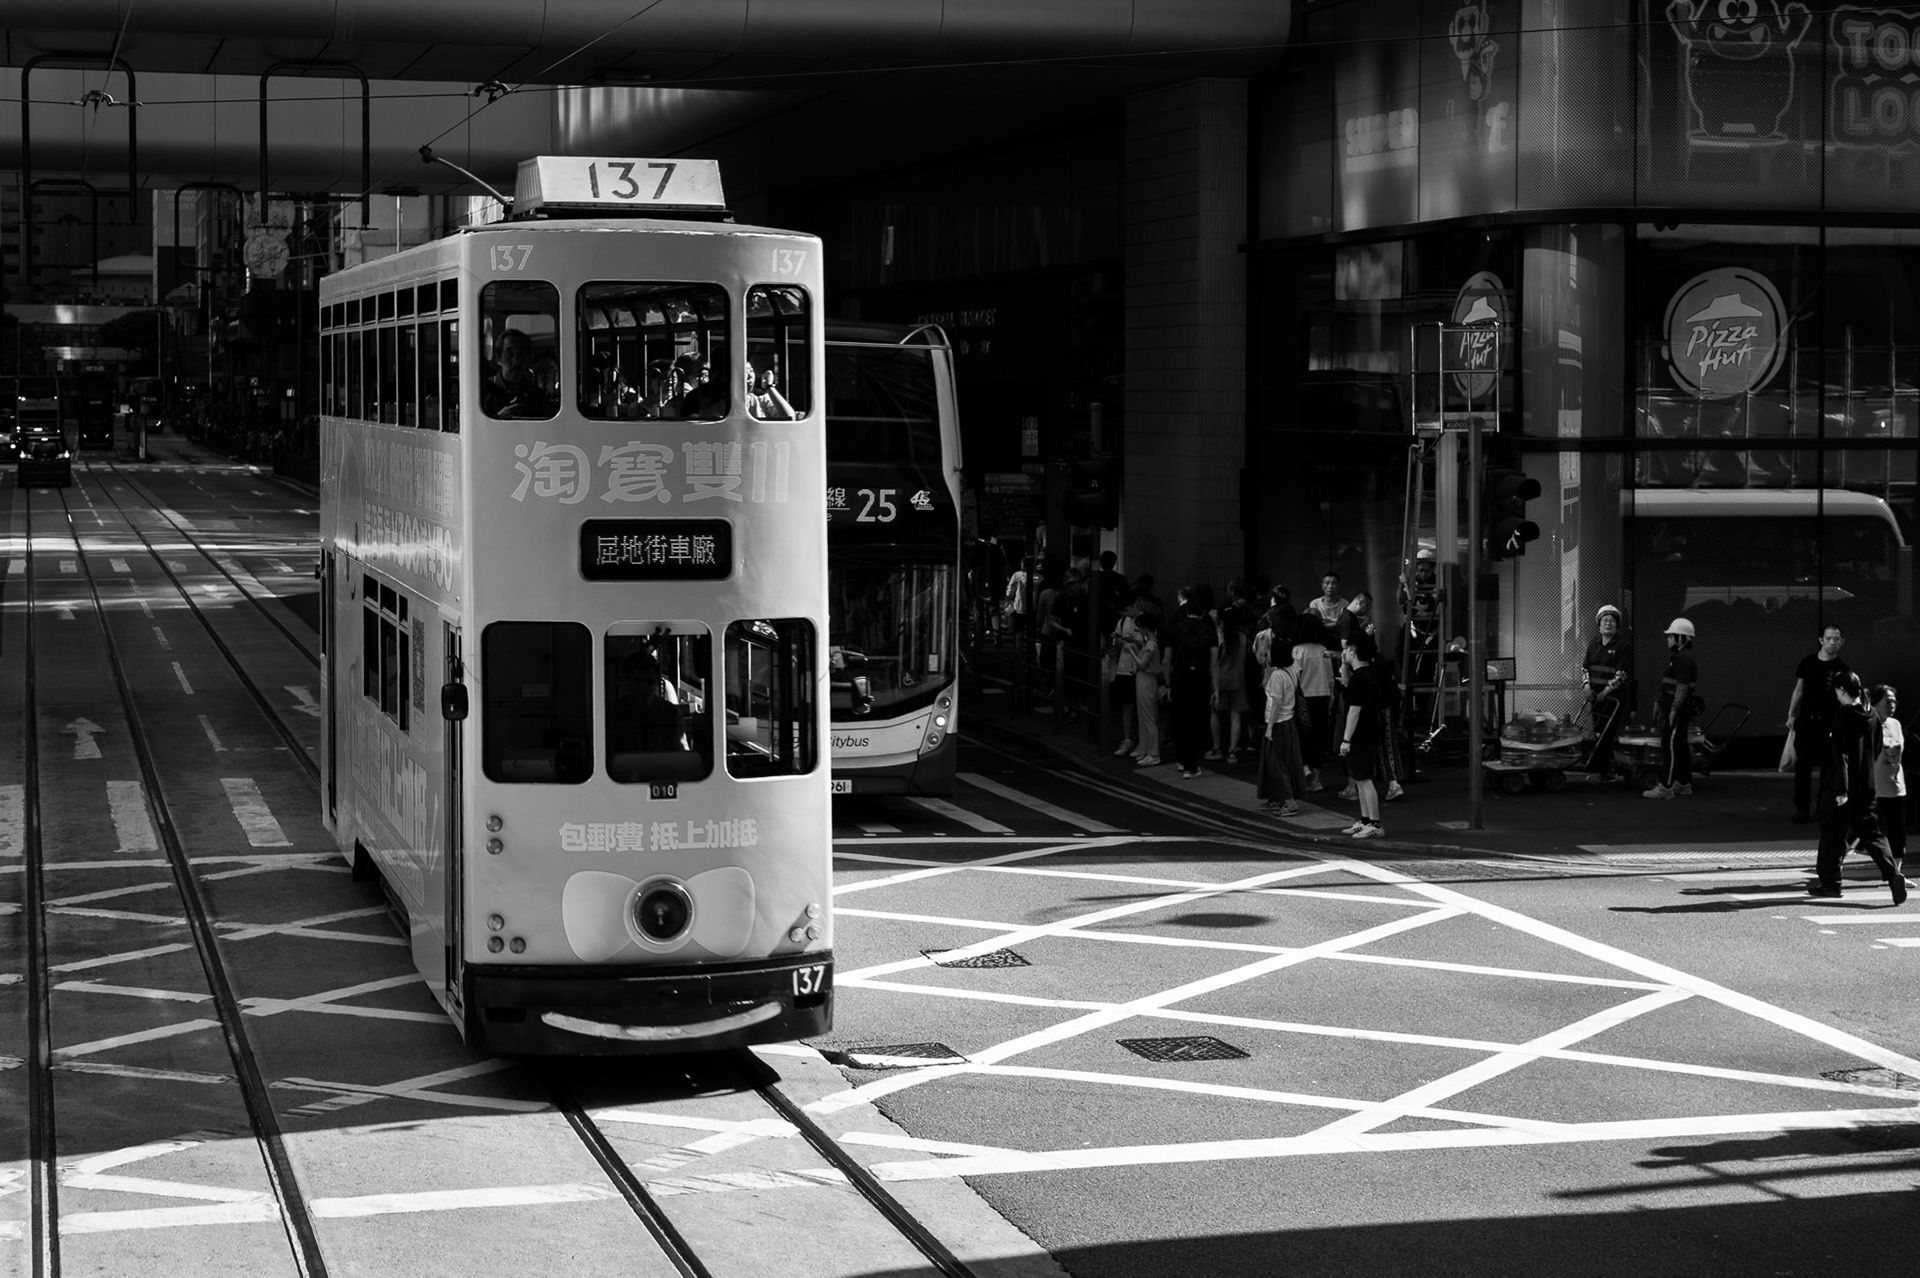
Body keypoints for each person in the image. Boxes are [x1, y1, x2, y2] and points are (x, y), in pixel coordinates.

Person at [1809, 670, 1908, 904]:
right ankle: (1893, 874)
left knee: (1832, 833)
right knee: (1871, 832)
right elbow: (1874, 748)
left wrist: (1840, 788)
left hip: (1842, 785)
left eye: (1837, 691)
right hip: (1867, 783)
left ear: (1841, 691)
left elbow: (1839, 754)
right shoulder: (1872, 715)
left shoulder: (1843, 715)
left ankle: (1830, 883)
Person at [1787, 625, 1851, 823]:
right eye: (1829, 638)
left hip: (1829, 723)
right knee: (1802, 766)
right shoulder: (1808, 662)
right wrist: (1791, 713)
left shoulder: (1842, 669)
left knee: (1828, 767)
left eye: (1836, 638)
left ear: (1841, 642)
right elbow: (1799, 689)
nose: (1832, 642)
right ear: (1821, 640)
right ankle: (1802, 807)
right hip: (1807, 720)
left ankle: (1823, 806)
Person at [1162, 586, 1217, 779]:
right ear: (1202, 612)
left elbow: (1167, 660)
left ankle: (1181, 760)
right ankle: (1192, 766)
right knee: (1197, 720)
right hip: (1201, 680)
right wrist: (1215, 688)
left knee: (1180, 719)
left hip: (1179, 679)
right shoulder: (1209, 631)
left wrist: (1167, 684)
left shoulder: (1175, 630)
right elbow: (1214, 663)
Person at [1338, 631, 1386, 839]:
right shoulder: (1367, 674)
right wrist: (1344, 665)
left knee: (1364, 779)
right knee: (1359, 777)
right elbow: (1347, 683)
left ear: (1353, 651)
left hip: (1360, 734)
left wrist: (1346, 739)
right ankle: (1366, 820)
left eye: (1348, 650)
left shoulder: (1360, 679)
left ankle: (1375, 823)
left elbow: (1354, 709)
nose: (1345, 652)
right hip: (1370, 730)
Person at [1644, 617, 1699, 799]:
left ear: (1681, 639)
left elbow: (1682, 686)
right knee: (1680, 744)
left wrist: (1674, 710)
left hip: (1676, 710)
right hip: (1672, 708)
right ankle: (1684, 783)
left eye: (1671, 636)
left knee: (1671, 745)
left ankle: (1666, 787)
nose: (1668, 639)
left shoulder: (1682, 658)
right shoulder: (1680, 658)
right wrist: (1659, 702)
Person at [1257, 645, 1307, 816]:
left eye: (1270, 651)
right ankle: (1277, 798)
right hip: (1288, 721)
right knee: (1284, 761)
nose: (1267, 654)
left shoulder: (1278, 675)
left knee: (1275, 764)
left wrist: (1269, 727)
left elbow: (1276, 702)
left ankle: (1287, 801)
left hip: (1278, 722)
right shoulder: (1290, 671)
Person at [1583, 604, 1631, 778]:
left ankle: (1601, 770)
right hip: (1595, 697)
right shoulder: (1593, 644)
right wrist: (1587, 687)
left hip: (1613, 699)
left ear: (1617, 624)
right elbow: (1585, 668)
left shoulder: (1622, 645)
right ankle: (1604, 769)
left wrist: (1606, 692)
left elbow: (1621, 674)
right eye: (1605, 620)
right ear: (1599, 623)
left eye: (1611, 621)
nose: (1608, 624)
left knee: (1606, 733)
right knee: (1598, 732)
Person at [1291, 616, 1335, 793]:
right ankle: (1316, 779)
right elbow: (1331, 677)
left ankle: (1305, 767)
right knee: (1320, 738)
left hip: (1303, 699)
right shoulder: (1323, 649)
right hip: (1322, 697)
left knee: (1302, 736)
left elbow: (1294, 678)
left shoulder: (1297, 651)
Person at [1870, 684, 1907, 878]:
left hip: (1896, 786)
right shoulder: (1869, 723)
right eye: (1887, 701)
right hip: (1874, 787)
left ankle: (1896, 874)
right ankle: (1837, 864)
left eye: (1895, 701)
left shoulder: (1896, 724)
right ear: (1874, 703)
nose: (1892, 705)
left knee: (1897, 832)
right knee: (1865, 832)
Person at [1208, 604, 1251, 764]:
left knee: (1215, 713)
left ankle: (1216, 748)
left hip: (1220, 681)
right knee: (1236, 715)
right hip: (1238, 681)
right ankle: (1232, 750)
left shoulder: (1218, 637)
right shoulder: (1243, 638)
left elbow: (1213, 662)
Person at [483, 329, 553, 418]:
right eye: (510, 354)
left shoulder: (537, 396)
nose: (516, 361)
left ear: (528, 359)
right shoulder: (483, 392)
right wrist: (499, 417)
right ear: (498, 359)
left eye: (521, 354)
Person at [1128, 608, 1164, 766]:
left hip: (1147, 680)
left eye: (1140, 627)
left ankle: (1154, 753)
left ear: (1145, 627)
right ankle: (1145, 749)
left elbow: (1142, 663)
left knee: (1148, 718)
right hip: (1145, 679)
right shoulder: (1150, 643)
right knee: (1144, 716)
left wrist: (1131, 652)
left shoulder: (1151, 644)